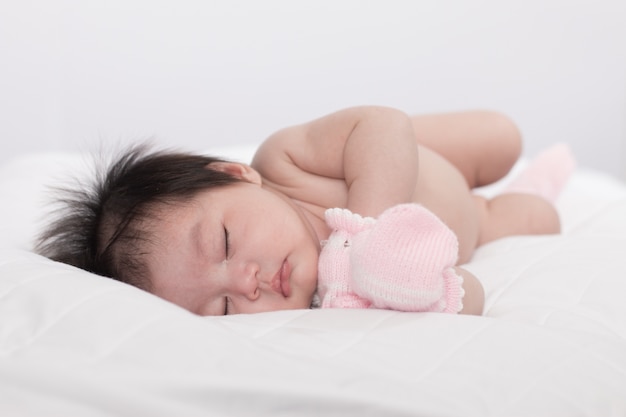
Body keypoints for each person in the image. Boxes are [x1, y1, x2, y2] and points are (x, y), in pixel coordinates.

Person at [36, 106, 575, 317]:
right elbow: (468, 298)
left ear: (233, 173)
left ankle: (510, 164)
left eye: (224, 241)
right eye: (223, 308)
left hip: (426, 157)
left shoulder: (284, 162)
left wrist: (368, 235)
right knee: (537, 219)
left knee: (501, 136)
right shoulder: (332, 302)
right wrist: (411, 289)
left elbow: (382, 125)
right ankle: (531, 186)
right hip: (472, 223)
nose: (247, 283)